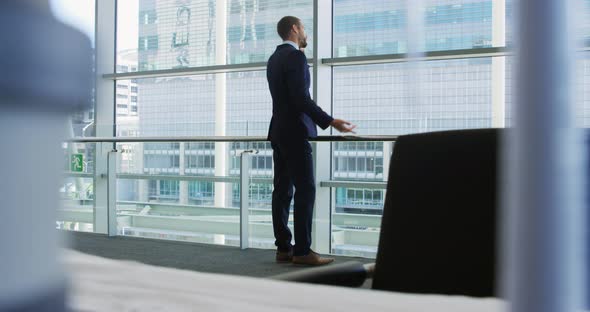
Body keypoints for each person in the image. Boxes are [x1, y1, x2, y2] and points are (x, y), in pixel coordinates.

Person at [267, 16, 356, 265]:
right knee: (305, 189)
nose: (306, 33)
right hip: (295, 132)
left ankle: (284, 248)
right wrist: (331, 121)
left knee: (282, 191)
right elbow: (301, 99)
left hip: (278, 131)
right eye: (303, 28)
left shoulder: (274, 58)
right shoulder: (295, 57)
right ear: (295, 29)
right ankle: (303, 251)